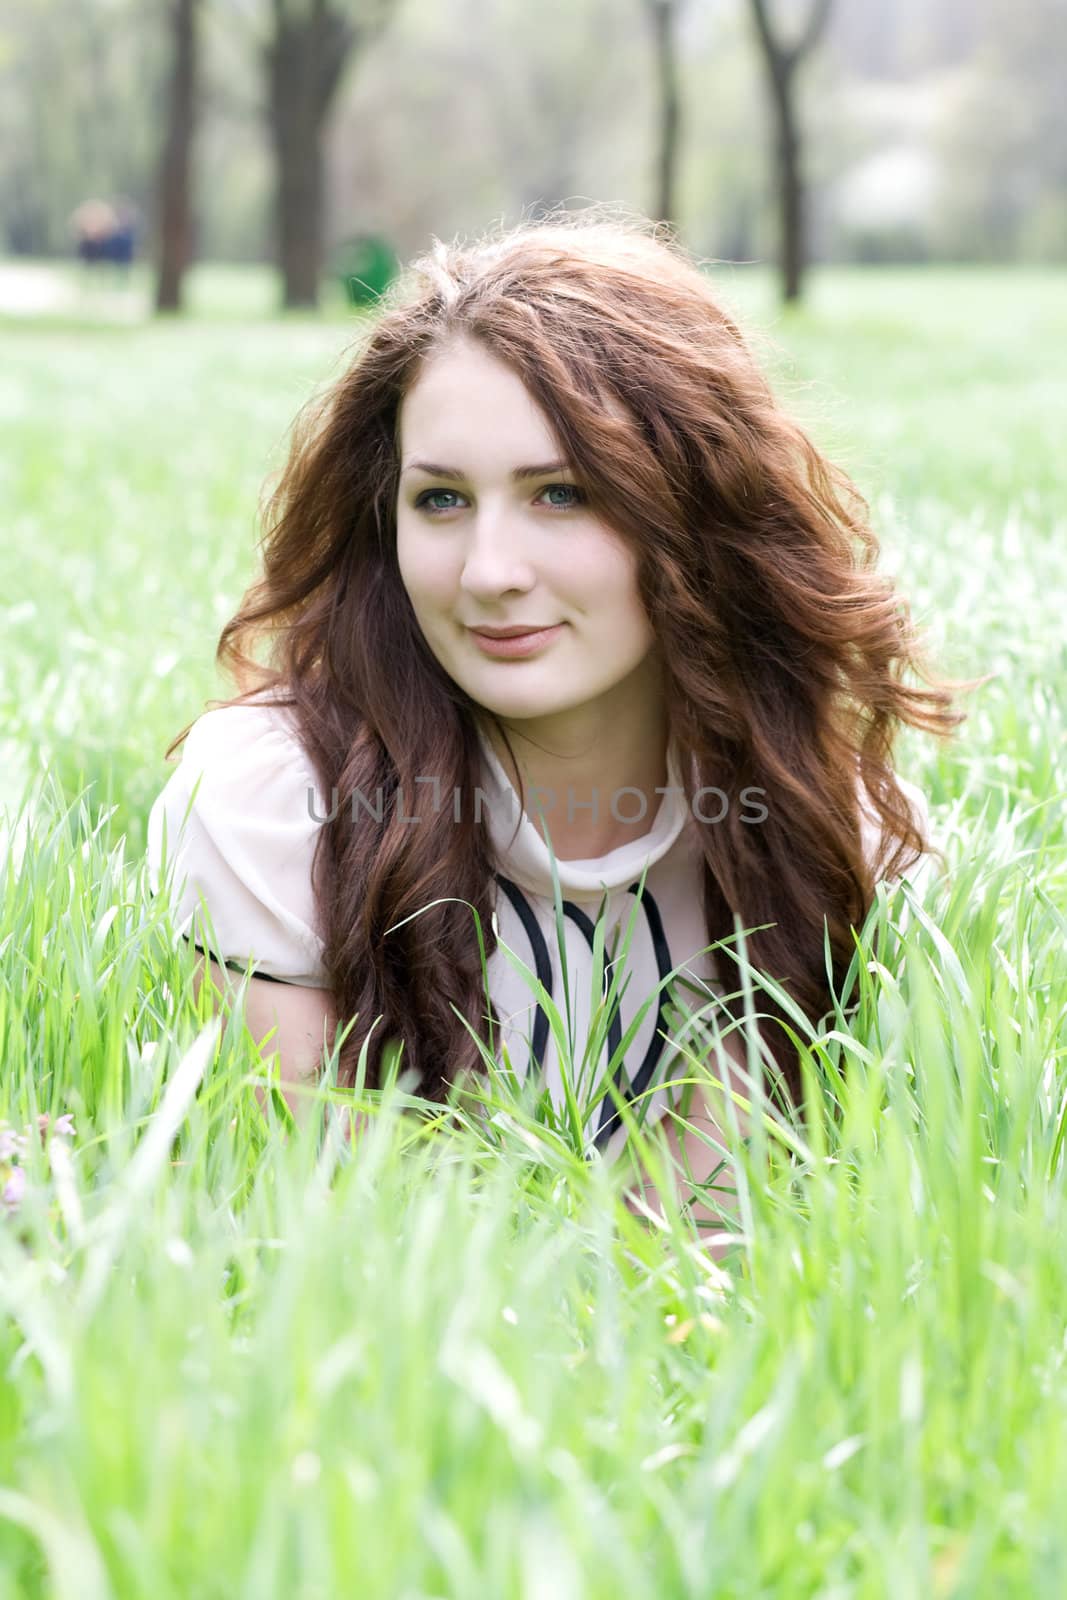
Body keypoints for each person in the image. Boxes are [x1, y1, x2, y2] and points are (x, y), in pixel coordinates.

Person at [146, 210, 974, 1250]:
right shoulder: (273, 804)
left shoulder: (816, 819)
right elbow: (337, 1253)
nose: (489, 570)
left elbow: (723, 1258)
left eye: (561, 493)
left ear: (691, 507)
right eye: (440, 499)